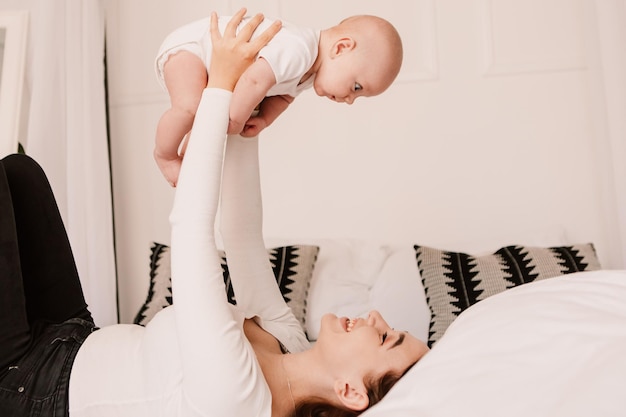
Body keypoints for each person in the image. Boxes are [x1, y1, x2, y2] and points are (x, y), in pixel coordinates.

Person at [0, 9, 428, 417]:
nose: (376, 318)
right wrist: (245, 106)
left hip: (32, 386)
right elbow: (240, 233)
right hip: (72, 338)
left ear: (350, 390)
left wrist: (220, 86)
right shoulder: (289, 341)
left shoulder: (238, 399)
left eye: (387, 337)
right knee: (19, 175)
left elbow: (191, 233)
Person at [154, 12, 403, 186]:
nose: (350, 99)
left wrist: (264, 120)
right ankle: (165, 155)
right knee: (188, 108)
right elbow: (254, 81)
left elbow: (283, 97)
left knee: (201, 118)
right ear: (341, 48)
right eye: (357, 87)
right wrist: (236, 119)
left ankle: (188, 156)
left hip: (211, 65)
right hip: (193, 48)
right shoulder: (299, 48)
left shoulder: (308, 74)